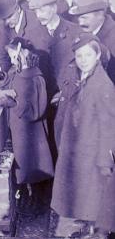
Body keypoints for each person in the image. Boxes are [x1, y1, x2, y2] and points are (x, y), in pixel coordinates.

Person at [51, 32, 115, 238]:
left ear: (97, 56)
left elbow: (109, 126)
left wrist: (105, 161)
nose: (83, 61)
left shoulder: (102, 85)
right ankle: (86, 228)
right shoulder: (86, 78)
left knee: (95, 201)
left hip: (94, 156)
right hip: (82, 152)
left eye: (87, 55)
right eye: (79, 56)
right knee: (84, 200)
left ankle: (96, 232)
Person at [3, 37, 54, 214]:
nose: (11, 60)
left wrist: (11, 103)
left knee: (34, 166)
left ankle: (39, 204)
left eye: (12, 55)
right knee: (26, 166)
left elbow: (34, 110)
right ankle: (33, 199)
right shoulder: (19, 72)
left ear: (22, 53)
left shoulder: (34, 77)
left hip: (31, 133)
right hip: (20, 130)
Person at [69, 0, 115, 83]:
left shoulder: (112, 38)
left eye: (85, 18)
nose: (80, 23)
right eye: (79, 18)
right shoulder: (82, 32)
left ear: (99, 15)